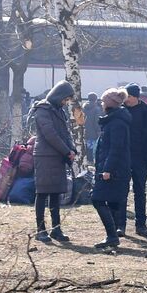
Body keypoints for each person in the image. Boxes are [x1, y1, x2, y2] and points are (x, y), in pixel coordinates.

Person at [31, 81, 76, 244]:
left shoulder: (59, 111)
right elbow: (49, 134)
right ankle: (41, 230)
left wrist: (72, 149)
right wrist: (66, 150)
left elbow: (66, 133)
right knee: (42, 193)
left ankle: (56, 229)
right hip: (45, 156)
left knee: (56, 194)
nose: (66, 102)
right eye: (66, 99)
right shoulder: (42, 110)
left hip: (58, 156)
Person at [91, 88, 132, 251]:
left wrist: (107, 169)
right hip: (113, 168)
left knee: (97, 199)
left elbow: (116, 148)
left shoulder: (117, 123)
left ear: (108, 104)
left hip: (114, 170)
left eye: (103, 101)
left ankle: (112, 236)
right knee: (112, 201)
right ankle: (113, 235)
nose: (101, 104)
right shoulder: (114, 120)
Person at [122, 84, 147, 238]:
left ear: (136, 97)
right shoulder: (120, 110)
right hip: (123, 157)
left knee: (139, 192)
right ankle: (120, 224)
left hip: (140, 158)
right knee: (121, 191)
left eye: (129, 97)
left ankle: (141, 224)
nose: (126, 100)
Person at [81, 92, 102, 162]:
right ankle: (91, 161)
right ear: (95, 99)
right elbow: (96, 122)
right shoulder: (96, 109)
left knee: (86, 148)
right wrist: (99, 131)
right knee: (93, 149)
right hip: (93, 133)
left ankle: (86, 161)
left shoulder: (82, 108)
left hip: (84, 132)